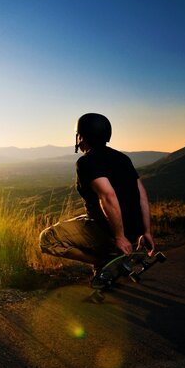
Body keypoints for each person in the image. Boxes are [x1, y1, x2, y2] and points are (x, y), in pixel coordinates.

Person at [39, 113, 155, 285]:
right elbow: (142, 195)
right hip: (132, 231)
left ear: (81, 136)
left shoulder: (87, 162)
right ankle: (109, 259)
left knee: (47, 239)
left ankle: (104, 263)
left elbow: (108, 196)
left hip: (110, 232)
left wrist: (119, 236)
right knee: (81, 219)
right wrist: (146, 232)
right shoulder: (122, 158)